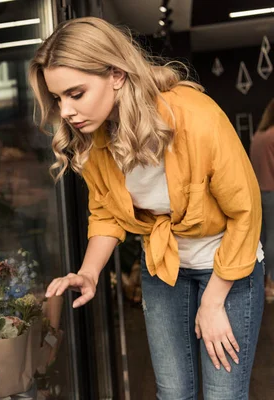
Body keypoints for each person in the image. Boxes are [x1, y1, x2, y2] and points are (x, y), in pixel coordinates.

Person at [32, 17, 264, 400]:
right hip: (164, 265)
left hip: (229, 266)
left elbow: (245, 212)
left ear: (117, 74)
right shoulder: (93, 137)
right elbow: (106, 213)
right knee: (173, 392)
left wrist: (213, 302)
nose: (67, 111)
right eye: (58, 99)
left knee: (224, 394)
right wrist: (89, 273)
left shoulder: (195, 116)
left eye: (76, 93)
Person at [250, 98, 274, 302]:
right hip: (272, 192)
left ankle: (263, 283)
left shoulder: (258, 136)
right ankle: (271, 284)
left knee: (264, 238)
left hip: (258, 193)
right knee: (273, 239)